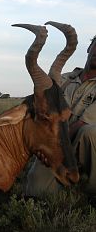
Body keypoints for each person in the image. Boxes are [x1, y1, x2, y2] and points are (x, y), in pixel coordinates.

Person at [26, 35, 96, 196]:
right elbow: (41, 109)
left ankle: (92, 192)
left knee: (89, 133)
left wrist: (49, 144)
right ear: (89, 47)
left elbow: (82, 124)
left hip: (84, 145)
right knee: (36, 191)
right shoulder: (62, 79)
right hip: (58, 145)